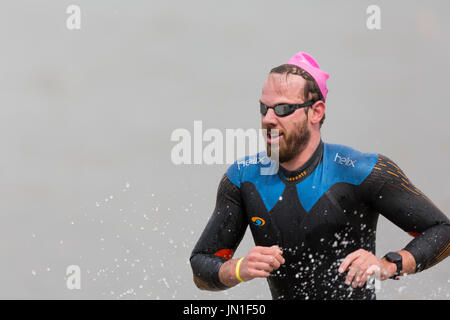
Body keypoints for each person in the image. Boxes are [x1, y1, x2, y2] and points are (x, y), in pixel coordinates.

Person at [189, 51, 450, 299]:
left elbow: (442, 231)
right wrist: (238, 269)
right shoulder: (243, 178)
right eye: (263, 108)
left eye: (281, 109)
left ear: (316, 112)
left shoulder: (361, 171)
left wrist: (389, 264)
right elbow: (201, 265)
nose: (268, 118)